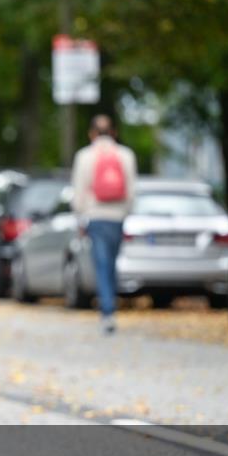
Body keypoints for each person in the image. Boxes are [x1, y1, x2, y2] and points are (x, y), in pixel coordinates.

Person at [70, 114, 137, 335]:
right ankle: (110, 307)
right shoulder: (125, 155)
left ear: (92, 134)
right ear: (114, 133)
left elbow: (79, 192)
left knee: (101, 265)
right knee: (112, 264)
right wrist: (125, 213)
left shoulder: (85, 156)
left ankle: (107, 312)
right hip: (117, 218)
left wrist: (80, 216)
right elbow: (131, 191)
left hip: (96, 217)